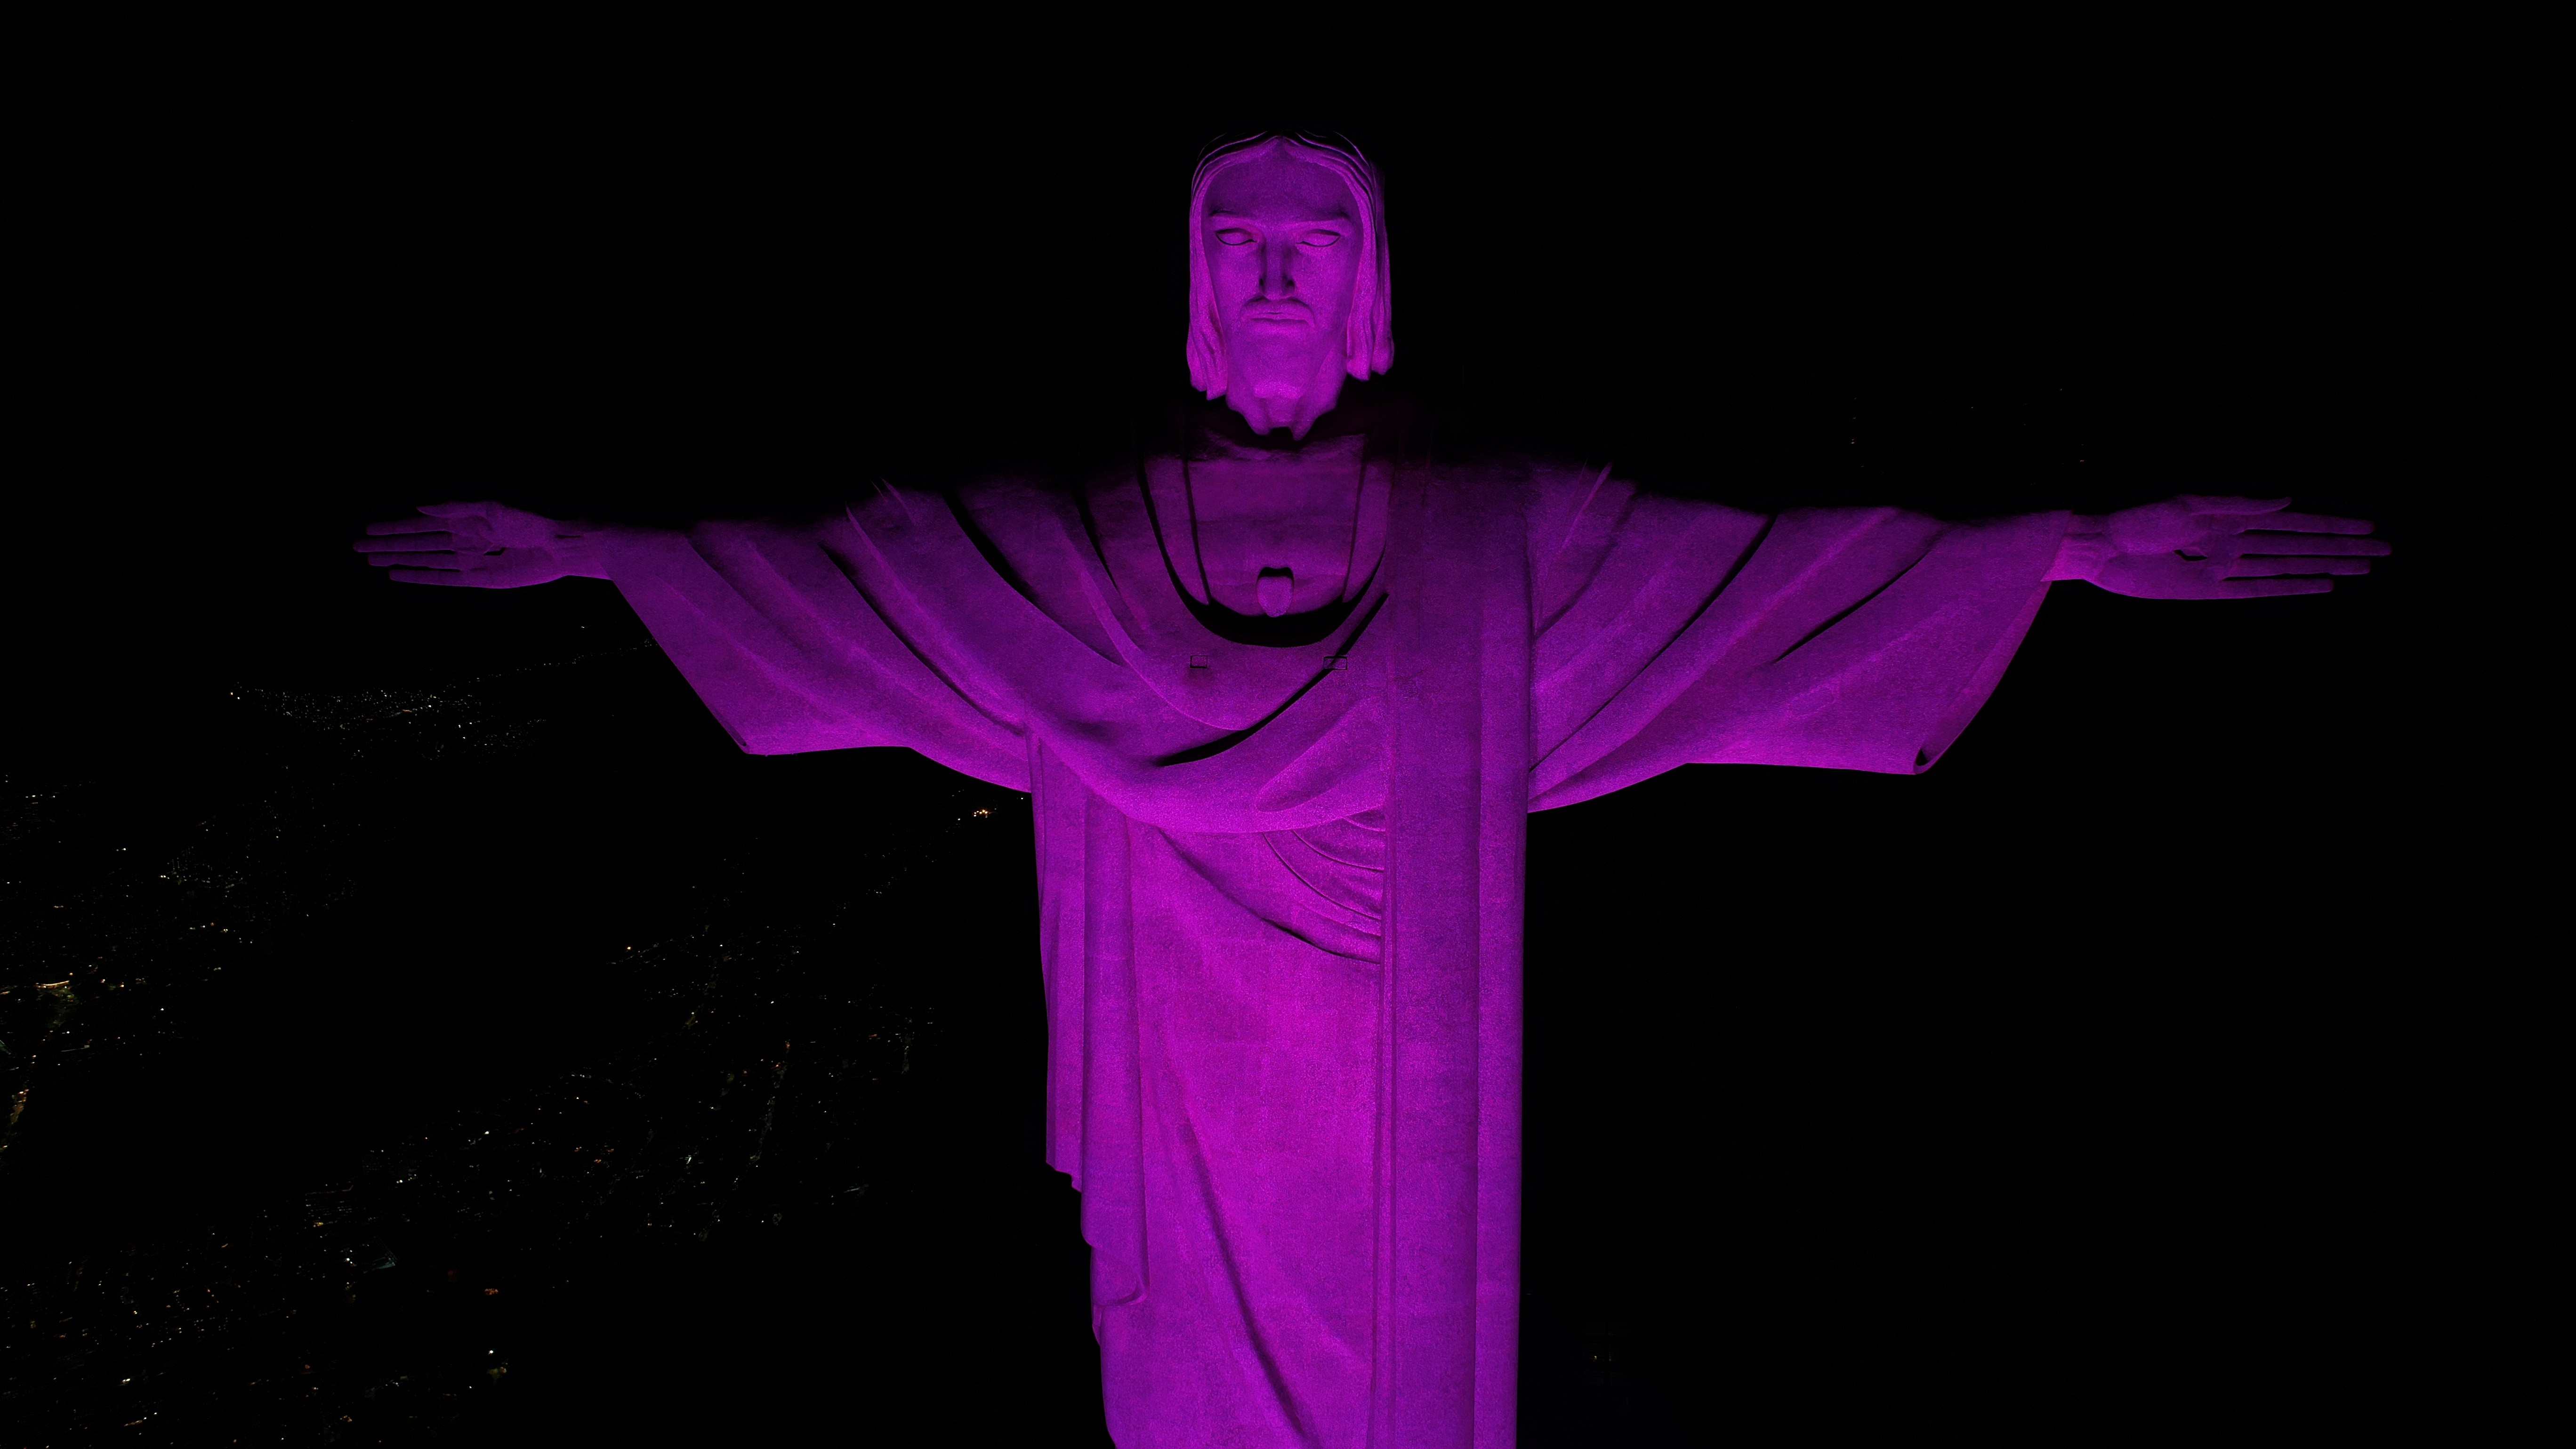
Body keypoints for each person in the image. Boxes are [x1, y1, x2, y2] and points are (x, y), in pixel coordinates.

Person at [354, 133, 2383, 1449]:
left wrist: (2059, 549)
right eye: (1236, 245)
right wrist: (608, 554)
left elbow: (1771, 574)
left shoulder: (1499, 543)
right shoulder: (1080, 541)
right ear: (1189, 280)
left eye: (1309, 250)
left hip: (1396, 1105)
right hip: (1186, 1097)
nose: (1267, 281)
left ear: (1369, 289)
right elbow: (861, 574)